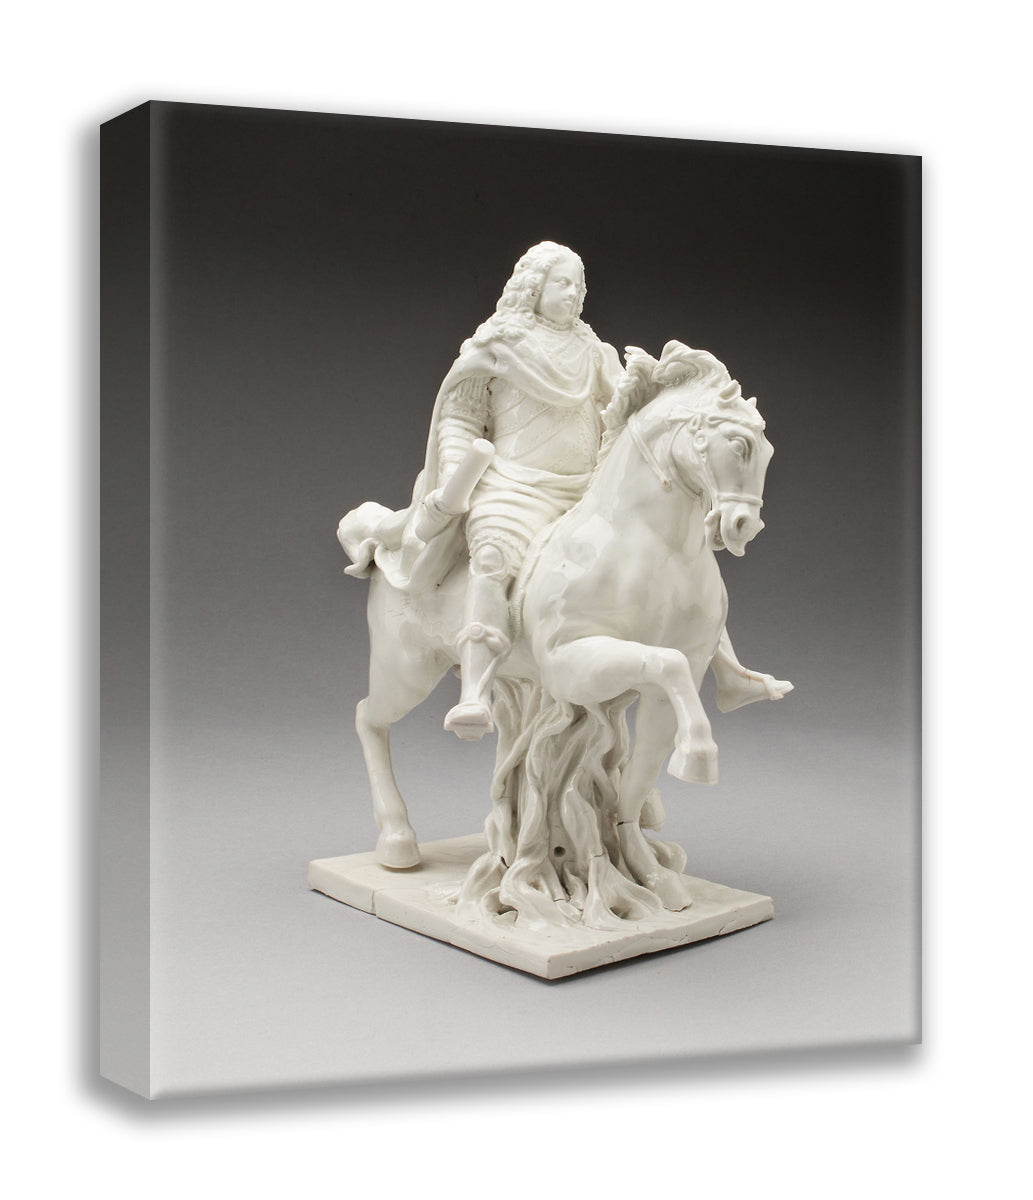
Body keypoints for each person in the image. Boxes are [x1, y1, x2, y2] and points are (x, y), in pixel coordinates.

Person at [419, 241, 623, 740]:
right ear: (534, 287)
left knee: (654, 552)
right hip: (514, 489)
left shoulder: (594, 351)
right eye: (563, 283)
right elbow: (461, 417)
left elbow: (623, 412)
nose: (574, 293)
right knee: (491, 559)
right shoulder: (498, 344)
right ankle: (475, 694)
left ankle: (719, 662)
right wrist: (453, 476)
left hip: (586, 493)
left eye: (580, 285)